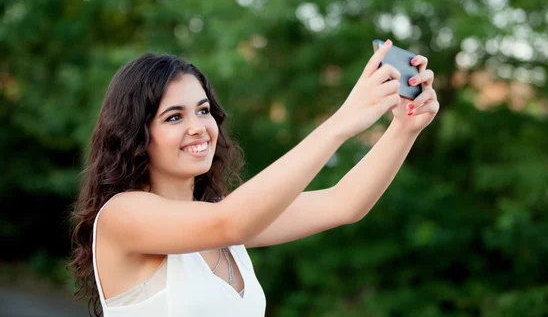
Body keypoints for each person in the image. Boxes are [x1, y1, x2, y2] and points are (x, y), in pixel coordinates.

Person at [69, 40, 439, 316]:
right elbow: (229, 223)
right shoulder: (123, 215)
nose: (199, 128)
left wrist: (404, 129)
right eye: (175, 117)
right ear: (136, 134)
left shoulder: (225, 218)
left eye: (203, 110)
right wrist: (344, 121)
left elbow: (344, 203)